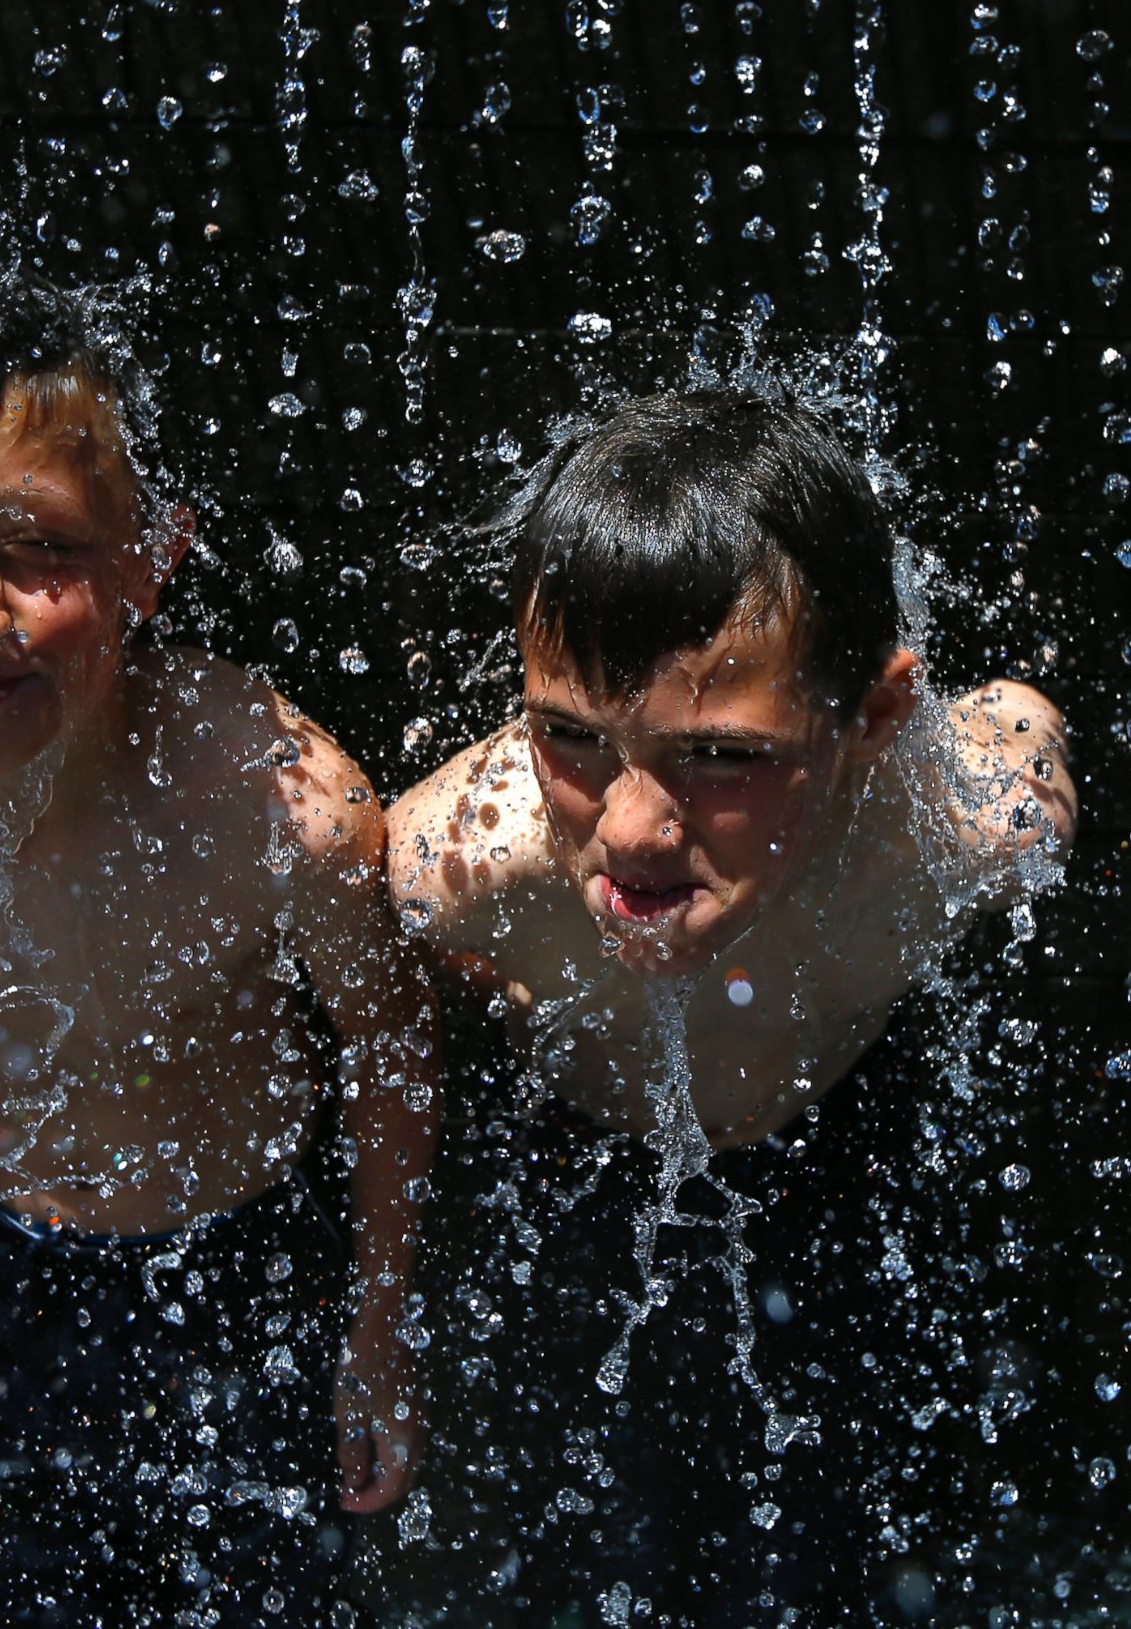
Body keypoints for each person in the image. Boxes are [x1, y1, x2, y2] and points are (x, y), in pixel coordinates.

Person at [0, 260, 435, 1627]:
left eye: (37, 546)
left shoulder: (278, 811)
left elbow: (390, 1043)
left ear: (152, 558)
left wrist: (378, 1323)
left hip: (244, 1253)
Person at [385, 386, 1077, 1623]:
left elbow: (1017, 722)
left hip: (853, 1143)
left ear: (873, 714)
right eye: (572, 739)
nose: (636, 828)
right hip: (576, 1169)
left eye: (724, 756)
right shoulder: (458, 870)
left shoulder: (965, 828)